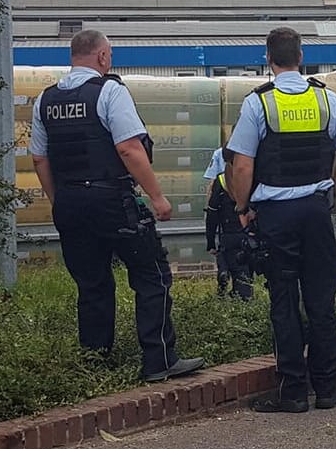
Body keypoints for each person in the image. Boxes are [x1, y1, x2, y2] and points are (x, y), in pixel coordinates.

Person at [30, 30, 205, 382]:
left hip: (69, 201)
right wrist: (157, 196)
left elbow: (39, 160)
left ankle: (94, 363)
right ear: (102, 58)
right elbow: (129, 149)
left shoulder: (45, 100)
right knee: (151, 276)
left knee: (92, 283)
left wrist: (58, 200)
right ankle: (159, 360)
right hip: (112, 200)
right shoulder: (110, 91)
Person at [226, 27, 336, 414]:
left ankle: (294, 393)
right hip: (317, 212)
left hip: (277, 216)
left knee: (284, 302)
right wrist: (331, 194)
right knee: (321, 300)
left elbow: (243, 165)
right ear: (300, 56)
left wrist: (241, 207)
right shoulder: (327, 100)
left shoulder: (258, 104)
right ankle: (328, 389)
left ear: (268, 58)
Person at [203, 147, 254, 300]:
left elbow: (212, 213)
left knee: (228, 258)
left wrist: (210, 241)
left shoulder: (221, 181)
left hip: (228, 233)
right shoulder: (252, 178)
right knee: (245, 274)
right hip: (249, 233)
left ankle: (224, 273)